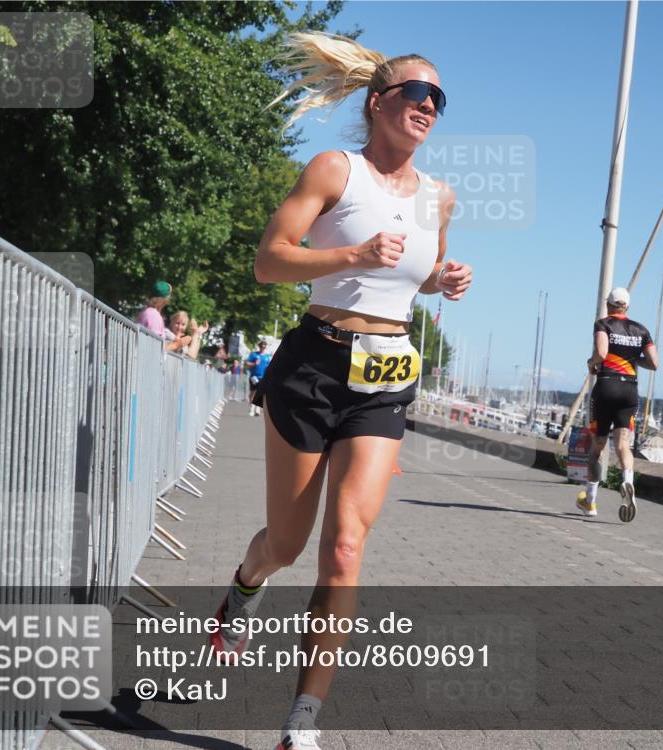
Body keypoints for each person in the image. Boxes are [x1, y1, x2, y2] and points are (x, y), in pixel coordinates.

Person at [209, 32, 472, 750]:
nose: (428, 106)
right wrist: (351, 253)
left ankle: (302, 722)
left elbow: (415, 275)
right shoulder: (334, 169)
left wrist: (440, 280)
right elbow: (269, 262)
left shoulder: (439, 198)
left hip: (385, 377)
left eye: (438, 100)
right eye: (417, 93)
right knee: (285, 545)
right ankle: (242, 588)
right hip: (315, 366)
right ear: (377, 101)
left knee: (347, 548)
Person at [576, 287, 658, 522]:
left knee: (597, 449)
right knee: (623, 444)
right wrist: (633, 359)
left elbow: (601, 352)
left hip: (606, 387)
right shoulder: (641, 330)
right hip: (629, 390)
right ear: (627, 306)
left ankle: (590, 501)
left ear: (608, 304)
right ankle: (628, 482)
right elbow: (654, 363)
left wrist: (591, 363)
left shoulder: (603, 324)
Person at [244, 339, 272, 417]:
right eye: (262, 345)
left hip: (263, 377)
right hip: (254, 376)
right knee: (253, 393)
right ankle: (251, 408)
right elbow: (246, 363)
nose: (263, 346)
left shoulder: (267, 357)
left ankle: (257, 410)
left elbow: (270, 366)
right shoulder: (254, 354)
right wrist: (253, 364)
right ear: (259, 346)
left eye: (264, 345)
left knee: (261, 394)